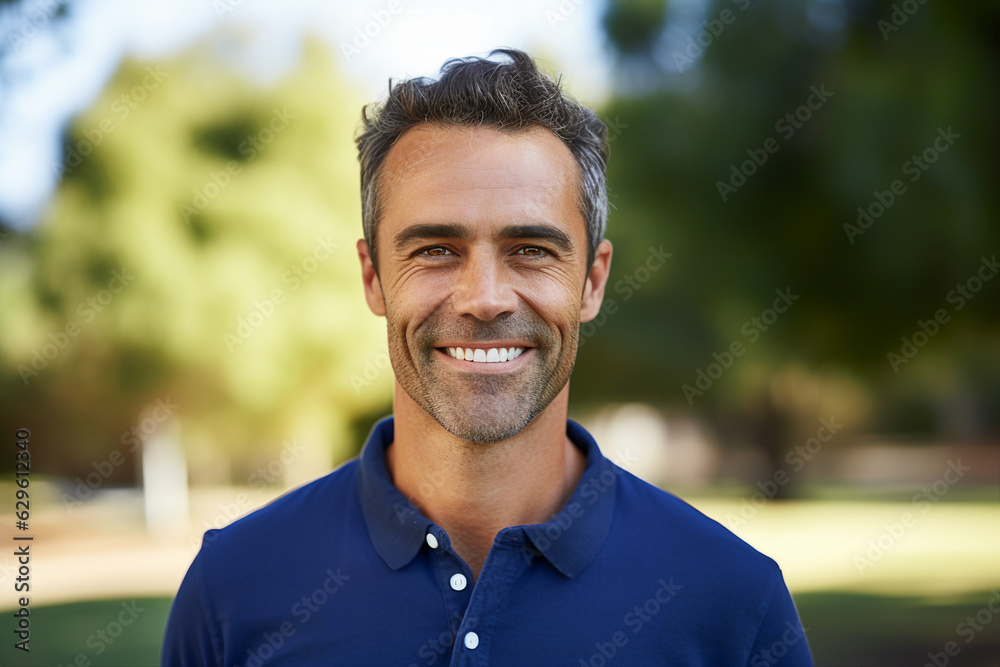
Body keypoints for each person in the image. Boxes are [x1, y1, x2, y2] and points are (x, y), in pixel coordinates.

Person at [162, 48, 813, 666]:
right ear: (373, 277)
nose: (484, 298)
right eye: (436, 249)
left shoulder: (732, 601)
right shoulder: (233, 588)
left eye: (531, 249)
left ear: (592, 279)